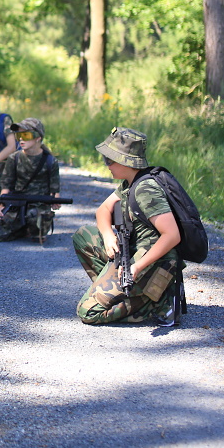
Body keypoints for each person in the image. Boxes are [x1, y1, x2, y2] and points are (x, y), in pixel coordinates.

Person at [73, 127, 182, 326]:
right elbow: (103, 210)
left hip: (153, 262)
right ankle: (127, 292)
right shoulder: (130, 183)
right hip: (131, 252)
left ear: (125, 161)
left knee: (88, 312)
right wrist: (108, 236)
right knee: (83, 236)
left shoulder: (145, 189)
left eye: (109, 160)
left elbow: (172, 235)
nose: (106, 165)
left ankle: (156, 303)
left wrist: (136, 267)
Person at [0, 117, 61, 242]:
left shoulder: (50, 161)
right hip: (17, 203)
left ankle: (32, 228)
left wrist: (55, 201)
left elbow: (55, 190)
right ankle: (21, 229)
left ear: (38, 137)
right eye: (18, 135)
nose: (21, 139)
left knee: (35, 223)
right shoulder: (14, 158)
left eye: (26, 135)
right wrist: (1, 206)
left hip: (38, 205)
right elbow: (6, 186)